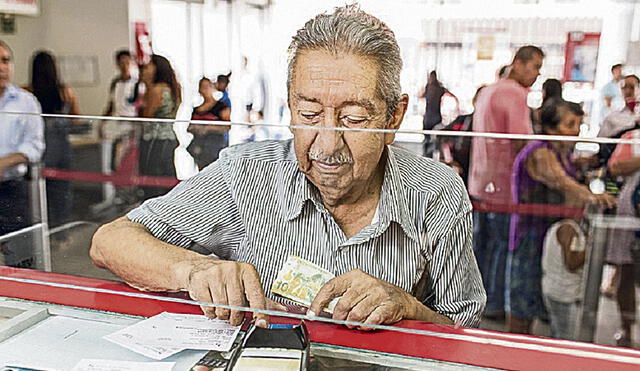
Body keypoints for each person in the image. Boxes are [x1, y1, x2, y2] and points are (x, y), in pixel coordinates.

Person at [90, 4, 485, 330]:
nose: (327, 146)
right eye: (310, 114)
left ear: (393, 118)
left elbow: (462, 331)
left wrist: (408, 307)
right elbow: (110, 242)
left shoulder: (436, 192)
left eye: (353, 119)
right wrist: (192, 270)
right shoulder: (248, 174)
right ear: (291, 107)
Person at [508, 100, 615, 334]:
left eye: (577, 124)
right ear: (551, 128)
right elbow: (562, 182)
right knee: (523, 305)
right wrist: (593, 197)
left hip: (548, 235)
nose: (575, 131)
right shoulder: (540, 152)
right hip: (530, 237)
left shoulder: (561, 151)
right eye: (569, 124)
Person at [468, 45, 543, 320]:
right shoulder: (514, 93)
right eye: (535, 66)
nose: (536, 74)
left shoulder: (489, 90)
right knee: (501, 247)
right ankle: (495, 303)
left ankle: (475, 299)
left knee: (481, 246)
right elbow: (523, 142)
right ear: (519, 63)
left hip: (479, 183)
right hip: (503, 186)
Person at [0, 40, 45, 267]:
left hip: (12, 190)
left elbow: (35, 146)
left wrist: (5, 162)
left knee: (21, 258)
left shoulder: (26, 102)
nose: (2, 67)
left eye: (6, 60)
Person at [603, 90, 640, 346]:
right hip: (629, 217)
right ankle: (626, 326)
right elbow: (615, 168)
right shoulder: (631, 137)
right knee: (626, 273)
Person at [28, 50, 80, 228]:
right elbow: (77, 118)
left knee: (41, 191)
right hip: (63, 148)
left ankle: (43, 230)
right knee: (63, 190)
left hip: (42, 149)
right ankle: (62, 233)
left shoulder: (29, 92)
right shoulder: (65, 91)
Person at [541, 200, 587, 340]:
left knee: (557, 333)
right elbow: (571, 263)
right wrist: (591, 248)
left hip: (554, 289)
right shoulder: (569, 229)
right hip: (563, 294)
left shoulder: (559, 226)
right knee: (565, 337)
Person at [138, 54, 182, 199]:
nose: (145, 68)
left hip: (155, 139)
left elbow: (146, 116)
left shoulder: (156, 90)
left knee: (152, 177)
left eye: (149, 65)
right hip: (169, 137)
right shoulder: (172, 87)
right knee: (167, 175)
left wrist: (146, 86)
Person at [437, 85, 485, 185]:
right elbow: (440, 135)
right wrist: (449, 159)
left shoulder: (491, 124)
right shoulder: (464, 120)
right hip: (464, 172)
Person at [188, 77, 231, 169]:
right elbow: (189, 126)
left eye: (207, 87)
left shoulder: (221, 106)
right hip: (199, 147)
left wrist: (207, 128)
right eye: (202, 87)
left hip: (215, 146)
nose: (205, 90)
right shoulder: (196, 109)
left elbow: (227, 126)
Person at [421, 71, 457, 157]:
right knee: (435, 138)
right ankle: (433, 153)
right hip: (436, 117)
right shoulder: (440, 88)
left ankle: (426, 154)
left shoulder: (428, 88)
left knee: (426, 137)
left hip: (427, 117)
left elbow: (421, 96)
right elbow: (452, 95)